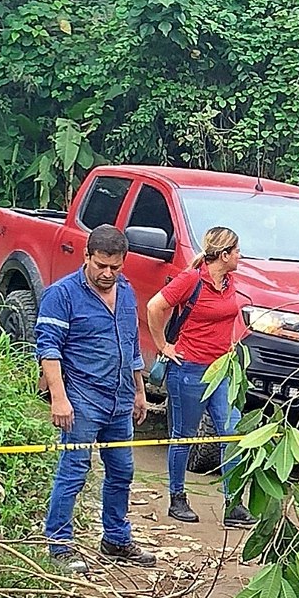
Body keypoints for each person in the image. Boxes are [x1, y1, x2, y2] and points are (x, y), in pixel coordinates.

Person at [36, 225, 157, 570]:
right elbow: (48, 350)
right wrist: (59, 399)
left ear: (124, 262)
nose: (107, 273)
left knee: (122, 472)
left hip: (120, 400)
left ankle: (116, 539)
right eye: (100, 265)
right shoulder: (62, 295)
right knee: (74, 470)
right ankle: (59, 545)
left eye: (114, 267)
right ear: (86, 256)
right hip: (82, 400)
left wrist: (139, 391)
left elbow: (132, 345)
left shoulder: (127, 292)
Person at [144, 225, 251, 530]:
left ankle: (233, 504)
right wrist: (163, 345)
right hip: (188, 368)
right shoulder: (191, 279)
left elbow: (230, 315)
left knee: (231, 432)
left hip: (221, 370)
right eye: (237, 250)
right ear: (224, 254)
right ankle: (177, 497)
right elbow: (155, 306)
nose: (240, 255)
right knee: (184, 436)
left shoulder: (229, 282)